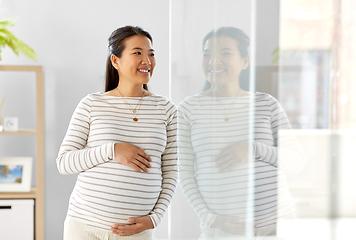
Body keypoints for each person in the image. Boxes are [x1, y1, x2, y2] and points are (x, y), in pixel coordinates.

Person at [178, 26, 305, 238]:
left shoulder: (266, 104)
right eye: (207, 54)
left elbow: (297, 161)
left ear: (244, 61)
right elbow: (184, 173)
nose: (214, 61)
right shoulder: (188, 109)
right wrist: (210, 218)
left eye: (225, 53)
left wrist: (253, 149)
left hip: (276, 229)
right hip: (220, 232)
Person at [56, 26, 177, 240]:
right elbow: (64, 162)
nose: (147, 61)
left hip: (136, 232)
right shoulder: (92, 104)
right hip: (84, 227)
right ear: (115, 61)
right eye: (137, 53)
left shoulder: (166, 109)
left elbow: (171, 171)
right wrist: (112, 150)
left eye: (151, 54)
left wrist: (155, 218)